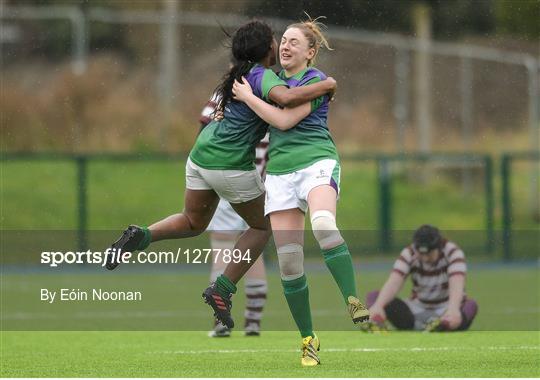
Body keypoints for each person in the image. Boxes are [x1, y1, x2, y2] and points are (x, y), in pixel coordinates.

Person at [105, 20, 336, 329]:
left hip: (200, 156)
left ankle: (140, 235)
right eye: (274, 40)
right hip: (229, 163)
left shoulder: (235, 76)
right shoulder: (261, 75)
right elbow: (287, 99)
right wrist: (328, 85)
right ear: (266, 49)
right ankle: (222, 289)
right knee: (263, 226)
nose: (279, 45)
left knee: (192, 221)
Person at [225, 17, 369, 366]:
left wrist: (246, 94)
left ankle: (353, 300)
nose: (285, 46)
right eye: (283, 41)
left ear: (311, 51)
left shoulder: (315, 81)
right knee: (289, 263)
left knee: (323, 224)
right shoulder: (271, 81)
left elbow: (285, 120)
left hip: (316, 162)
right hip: (279, 174)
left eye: (294, 42)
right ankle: (308, 340)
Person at [199, 92, 269, 338]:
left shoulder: (228, 89)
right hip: (260, 179)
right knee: (252, 247)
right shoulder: (272, 88)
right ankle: (253, 321)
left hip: (229, 172)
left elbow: (204, 126)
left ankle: (220, 322)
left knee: (222, 246)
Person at [365, 224, 478, 332]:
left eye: (429, 254)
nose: (425, 258)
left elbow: (457, 282)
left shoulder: (453, 252)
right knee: (375, 297)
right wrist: (378, 306)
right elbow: (394, 282)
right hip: (416, 311)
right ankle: (376, 323)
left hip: (446, 309)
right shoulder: (409, 253)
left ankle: (445, 324)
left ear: (438, 247)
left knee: (470, 305)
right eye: (421, 253)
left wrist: (453, 309)